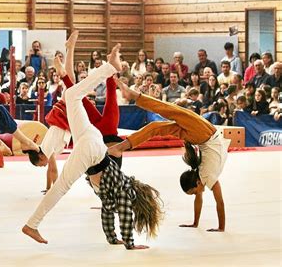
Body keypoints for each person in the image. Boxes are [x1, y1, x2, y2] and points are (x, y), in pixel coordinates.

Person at [22, 44, 163, 248]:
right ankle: (32, 225)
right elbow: (122, 214)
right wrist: (130, 244)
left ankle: (108, 68)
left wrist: (113, 239)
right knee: (61, 186)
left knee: (71, 96)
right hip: (93, 151)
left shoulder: (116, 193)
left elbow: (108, 213)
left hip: (93, 140)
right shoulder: (125, 192)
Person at [111, 81, 230, 232]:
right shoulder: (208, 177)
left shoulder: (202, 177)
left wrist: (195, 223)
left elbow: (198, 199)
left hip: (203, 136)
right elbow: (220, 202)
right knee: (171, 111)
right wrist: (221, 228)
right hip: (204, 135)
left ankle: (122, 146)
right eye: (194, 192)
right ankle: (134, 96)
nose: (198, 193)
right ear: (197, 184)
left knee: (158, 125)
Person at [34, 31, 123, 192]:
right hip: (86, 126)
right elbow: (53, 170)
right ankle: (69, 68)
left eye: (40, 164)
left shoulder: (46, 150)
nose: (43, 166)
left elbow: (53, 171)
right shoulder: (46, 149)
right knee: (76, 90)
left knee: (83, 91)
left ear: (40, 158)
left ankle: (104, 66)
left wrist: (52, 189)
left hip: (92, 128)